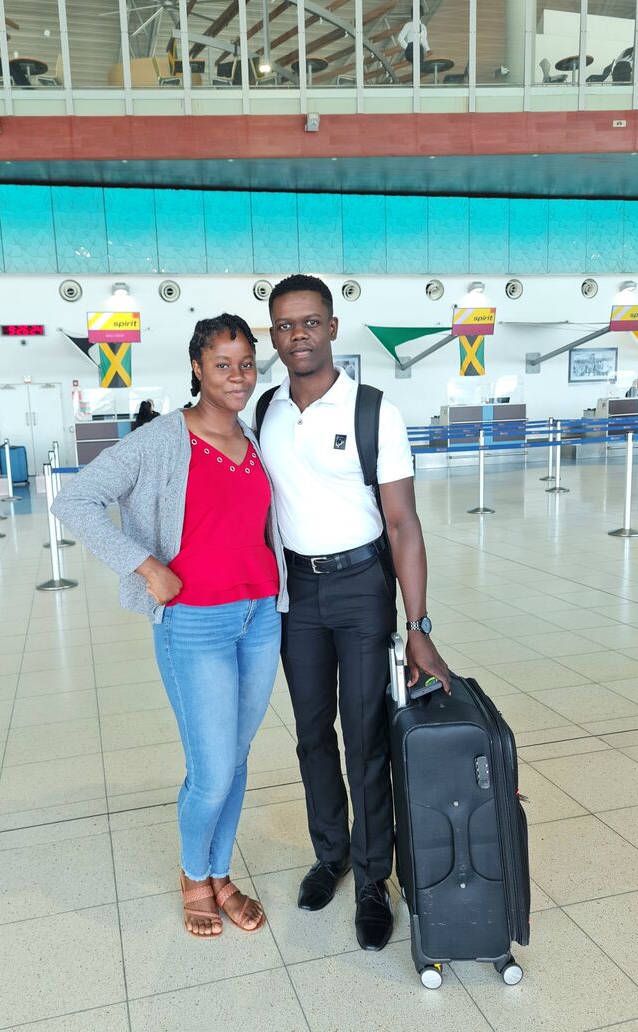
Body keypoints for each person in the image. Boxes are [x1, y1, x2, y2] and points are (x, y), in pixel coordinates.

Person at [51, 314, 288, 939]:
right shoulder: (162, 439)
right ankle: (192, 876)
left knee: (236, 759)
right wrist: (145, 564)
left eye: (245, 364)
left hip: (261, 616)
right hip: (195, 626)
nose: (237, 378)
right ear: (196, 368)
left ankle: (219, 871)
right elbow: (73, 499)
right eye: (222, 365)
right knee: (210, 770)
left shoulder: (256, 434)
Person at [256, 274, 449, 952]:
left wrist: (418, 626)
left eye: (309, 322)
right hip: (296, 594)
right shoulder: (266, 409)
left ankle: (373, 879)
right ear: (273, 336)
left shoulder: (374, 412)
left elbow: (403, 524)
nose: (297, 334)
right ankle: (331, 854)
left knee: (365, 737)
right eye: (284, 325)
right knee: (312, 733)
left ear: (333, 327)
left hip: (364, 585)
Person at [398, 2, 431, 67]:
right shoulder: (408, 25)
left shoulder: (423, 27)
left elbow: (424, 40)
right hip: (411, 46)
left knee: (419, 66)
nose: (418, 14)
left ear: (422, 14)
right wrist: (407, 47)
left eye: (419, 12)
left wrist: (428, 50)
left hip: (419, 48)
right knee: (416, 64)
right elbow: (400, 38)